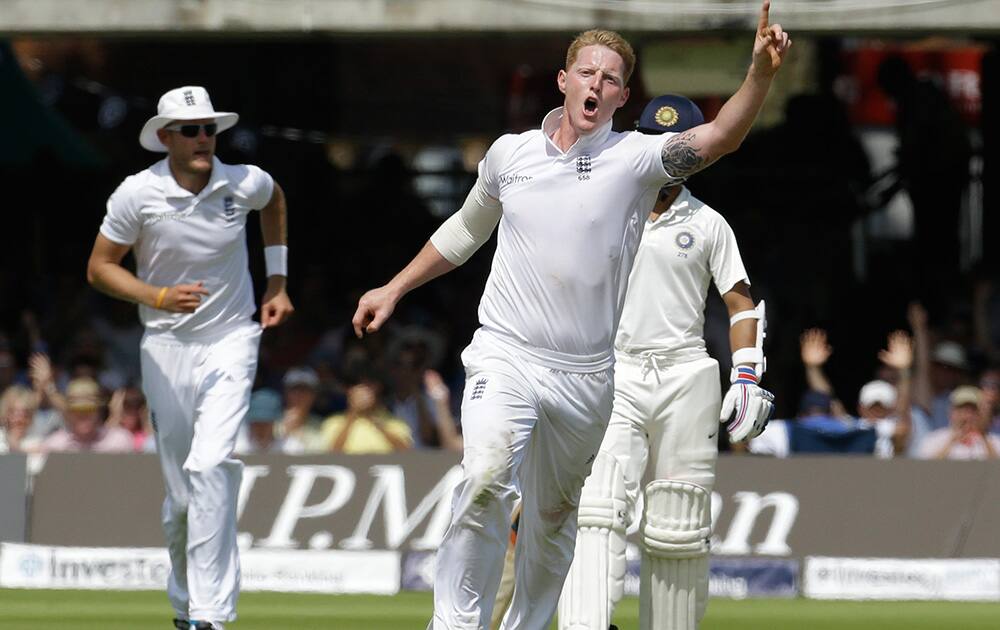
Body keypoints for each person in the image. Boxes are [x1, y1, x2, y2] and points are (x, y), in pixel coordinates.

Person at [352, 5, 790, 627]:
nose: (597, 85)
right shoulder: (510, 154)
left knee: (555, 519)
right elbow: (464, 232)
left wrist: (760, 75)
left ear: (621, 97)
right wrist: (394, 288)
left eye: (611, 80)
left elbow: (721, 138)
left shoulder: (637, 160)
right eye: (587, 72)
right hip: (506, 352)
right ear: (563, 80)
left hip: (586, 376)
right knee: (482, 476)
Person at [555, 94, 773, 630]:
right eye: (654, 139)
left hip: (684, 370)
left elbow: (740, 301)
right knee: (598, 509)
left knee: (678, 522)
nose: (666, 152)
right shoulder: (603, 202)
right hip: (616, 369)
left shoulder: (708, 223)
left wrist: (746, 372)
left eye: (677, 144)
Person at [86, 85, 294, 630]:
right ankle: (185, 607)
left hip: (232, 337)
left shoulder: (242, 180)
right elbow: (100, 267)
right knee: (181, 500)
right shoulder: (136, 194)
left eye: (209, 129)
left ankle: (211, 614)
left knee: (211, 466)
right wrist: (156, 296)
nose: (204, 138)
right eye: (191, 130)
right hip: (166, 345)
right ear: (165, 138)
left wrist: (277, 281)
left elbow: (273, 200)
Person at [318, 360, 413, 454]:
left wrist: (374, 419)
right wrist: (353, 413)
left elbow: (406, 453)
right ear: (349, 391)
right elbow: (331, 454)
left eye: (370, 386)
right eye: (360, 385)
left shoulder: (393, 422)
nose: (364, 393)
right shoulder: (334, 422)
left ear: (379, 389)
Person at [40, 377, 132, 453]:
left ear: (98, 411)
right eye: (77, 410)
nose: (83, 415)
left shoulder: (119, 441)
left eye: (89, 409)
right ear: (69, 413)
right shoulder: (55, 446)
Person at [916, 386, 1000, 460]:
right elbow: (926, 471)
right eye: (962, 410)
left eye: (973, 411)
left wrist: (983, 437)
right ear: (951, 412)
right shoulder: (934, 439)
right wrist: (953, 440)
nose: (967, 416)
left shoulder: (994, 441)